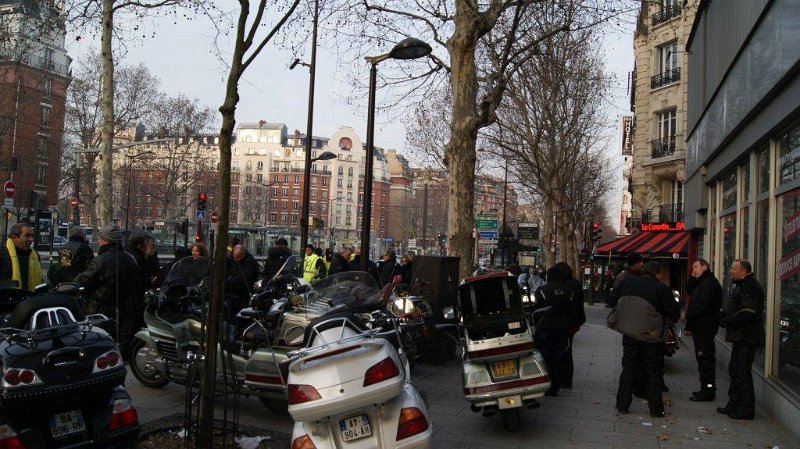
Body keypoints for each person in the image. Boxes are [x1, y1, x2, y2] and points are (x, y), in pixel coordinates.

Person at [611, 261, 680, 418]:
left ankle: (622, 405)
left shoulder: (628, 282)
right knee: (653, 372)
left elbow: (612, 299)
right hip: (651, 335)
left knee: (628, 368)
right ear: (658, 273)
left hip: (630, 332)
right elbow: (674, 314)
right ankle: (656, 409)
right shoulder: (660, 289)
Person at [74, 224, 141, 358]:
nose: (98, 241)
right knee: (120, 345)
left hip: (101, 310)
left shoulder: (100, 261)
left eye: (100, 238)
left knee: (100, 346)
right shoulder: (130, 259)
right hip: (126, 309)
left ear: (106, 240)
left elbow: (81, 282)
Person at [717, 259, 764, 420]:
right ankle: (734, 404)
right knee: (735, 369)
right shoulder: (741, 285)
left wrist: (726, 321)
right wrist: (723, 315)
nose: (730, 271)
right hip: (740, 337)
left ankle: (745, 409)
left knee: (742, 372)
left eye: (734, 268)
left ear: (743, 271)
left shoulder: (750, 286)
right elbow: (736, 308)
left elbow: (748, 312)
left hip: (747, 337)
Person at [531, 266, 575, 396]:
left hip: (545, 326)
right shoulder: (568, 292)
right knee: (558, 356)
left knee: (544, 355)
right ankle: (555, 385)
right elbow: (572, 310)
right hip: (562, 327)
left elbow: (535, 309)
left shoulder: (542, 290)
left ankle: (545, 381)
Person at [685, 258, 723, 402]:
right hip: (701, 327)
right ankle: (706, 388)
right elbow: (690, 291)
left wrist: (689, 316)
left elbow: (701, 305)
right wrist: (693, 278)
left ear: (705, 267)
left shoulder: (709, 284)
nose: (694, 270)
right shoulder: (702, 282)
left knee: (705, 359)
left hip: (705, 327)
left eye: (696, 267)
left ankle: (708, 390)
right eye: (693, 268)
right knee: (703, 359)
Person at [554, 262, 586, 389]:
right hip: (574, 321)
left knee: (565, 351)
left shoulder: (567, 286)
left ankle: (565, 380)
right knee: (567, 350)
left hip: (569, 322)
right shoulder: (574, 283)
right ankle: (566, 380)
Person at [0, 222, 43, 291]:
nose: (31, 239)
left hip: (31, 296)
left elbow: (41, 281)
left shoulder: (35, 255)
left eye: (32, 236)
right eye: (27, 236)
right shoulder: (2, 253)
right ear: (14, 237)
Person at [226, 245, 261, 320]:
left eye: (238, 257)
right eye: (234, 257)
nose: (236, 259)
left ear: (243, 254)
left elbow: (244, 277)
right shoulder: (236, 261)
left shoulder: (250, 262)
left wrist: (230, 281)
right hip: (235, 292)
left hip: (245, 292)